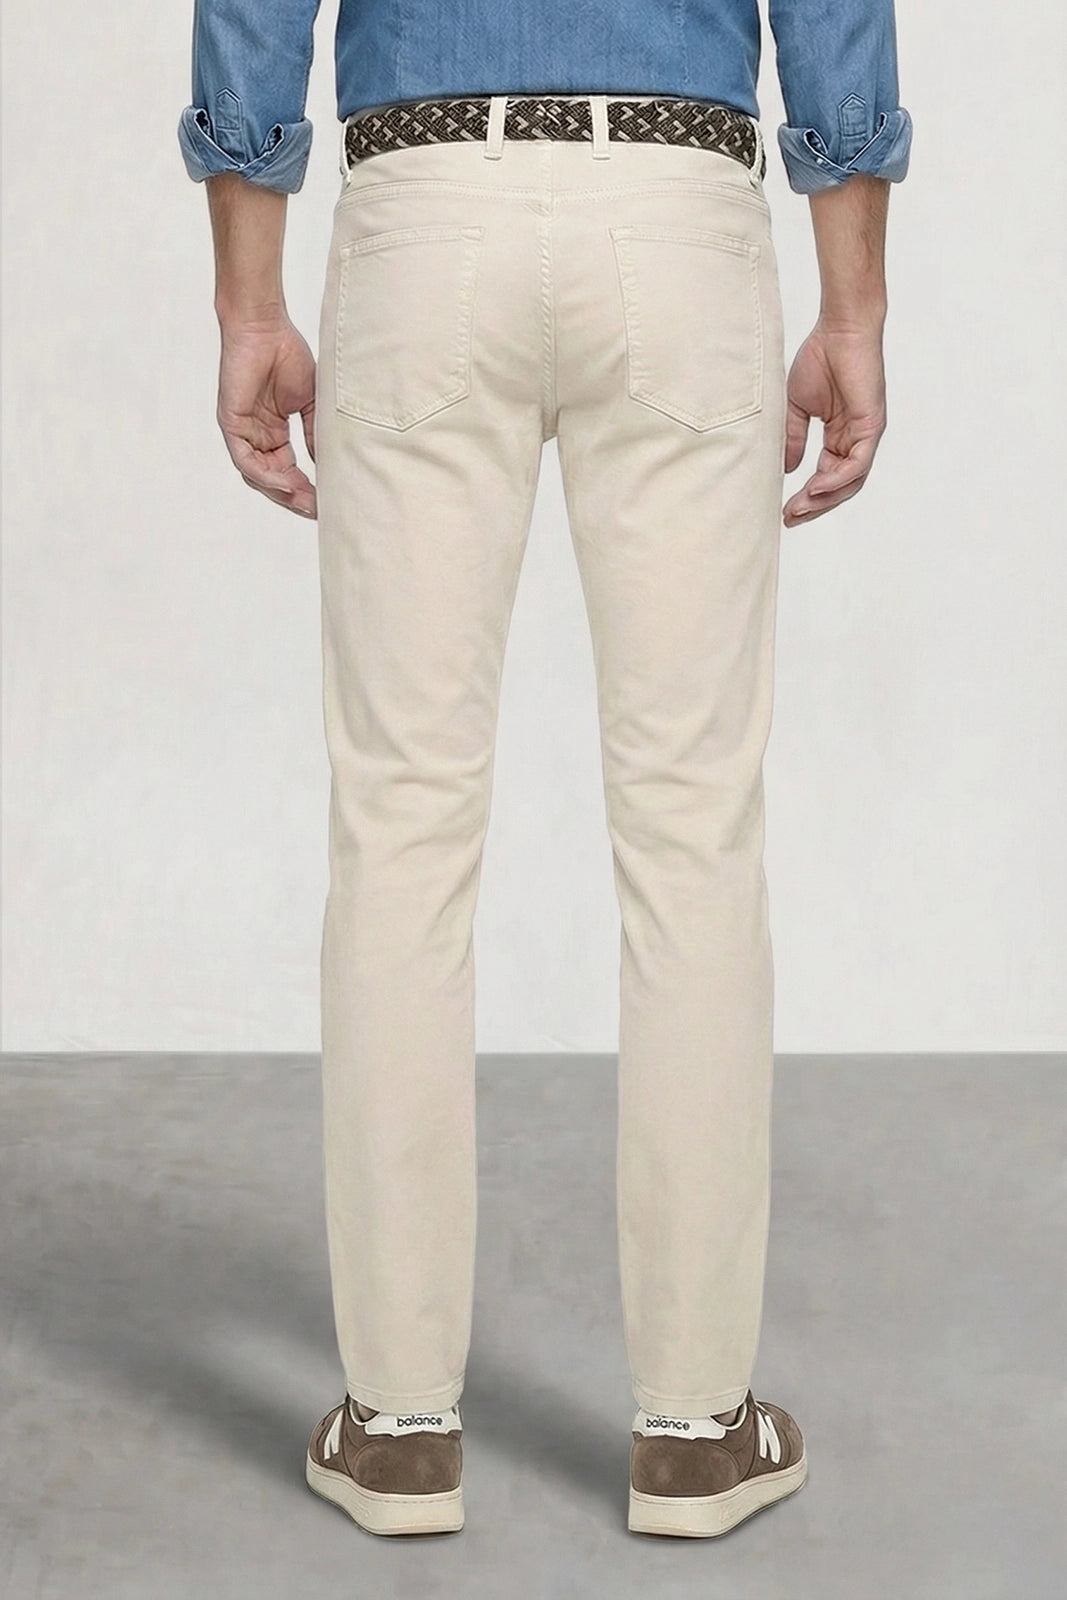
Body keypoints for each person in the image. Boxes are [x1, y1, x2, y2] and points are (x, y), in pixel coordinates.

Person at [178, 0, 911, 1542]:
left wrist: (248, 300)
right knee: (695, 833)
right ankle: (698, 1431)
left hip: (425, 210)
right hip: (681, 211)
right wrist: (855, 305)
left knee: (401, 827)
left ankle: (397, 1428)